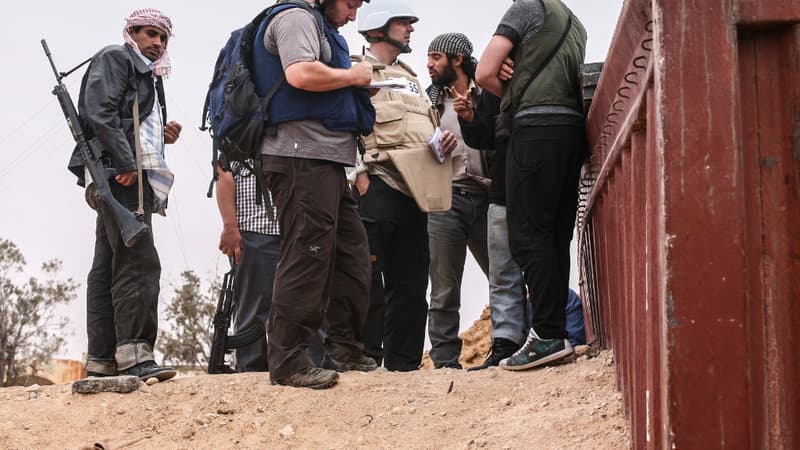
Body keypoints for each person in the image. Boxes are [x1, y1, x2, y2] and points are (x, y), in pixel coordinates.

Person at [256, 0, 378, 389]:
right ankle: (288, 361)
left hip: (325, 160)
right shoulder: (295, 17)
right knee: (307, 254)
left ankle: (345, 349)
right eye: (351, 3)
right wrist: (354, 76)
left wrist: (354, 84)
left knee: (351, 253)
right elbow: (301, 73)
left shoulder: (317, 24)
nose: (353, 15)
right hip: (299, 157)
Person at [70, 8, 182, 381]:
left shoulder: (147, 74)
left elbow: (122, 117)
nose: (157, 43)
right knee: (138, 261)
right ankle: (135, 355)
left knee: (108, 264)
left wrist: (161, 134)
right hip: (121, 175)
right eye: (150, 34)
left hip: (120, 172)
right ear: (131, 32)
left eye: (163, 37)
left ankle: (102, 360)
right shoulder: (117, 58)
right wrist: (126, 161)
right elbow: (99, 113)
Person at [476, 0, 588, 370]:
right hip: (571, 130)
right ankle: (554, 332)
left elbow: (484, 73)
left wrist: (510, 85)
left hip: (535, 128)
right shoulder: (574, 22)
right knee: (555, 236)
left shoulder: (527, 7)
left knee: (527, 235)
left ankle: (546, 335)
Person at [354, 0, 457, 371]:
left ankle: (404, 366)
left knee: (412, 283)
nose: (410, 28)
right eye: (403, 22)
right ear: (377, 27)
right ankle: (364, 358)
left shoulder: (411, 79)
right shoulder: (354, 69)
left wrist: (440, 144)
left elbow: (421, 130)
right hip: (376, 185)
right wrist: (359, 178)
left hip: (416, 190)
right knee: (366, 279)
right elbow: (343, 127)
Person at [424, 33, 494, 370]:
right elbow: (417, 151)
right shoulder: (429, 104)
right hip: (445, 200)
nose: (429, 64)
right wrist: (432, 150)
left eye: (436, 57)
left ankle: (507, 347)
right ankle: (443, 360)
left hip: (487, 198)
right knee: (444, 286)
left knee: (503, 277)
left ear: (457, 60)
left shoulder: (488, 96)